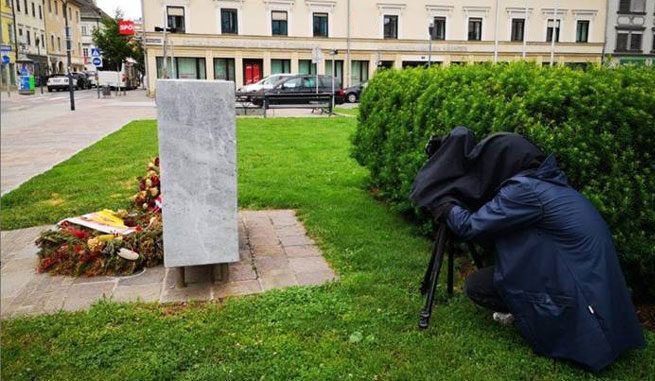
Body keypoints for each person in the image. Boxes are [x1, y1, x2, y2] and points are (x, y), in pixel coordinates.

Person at [410, 127, 645, 372]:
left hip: (584, 306)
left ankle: (538, 318)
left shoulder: (524, 191)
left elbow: (472, 227)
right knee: (494, 275)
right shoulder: (548, 183)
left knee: (477, 286)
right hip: (596, 295)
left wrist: (446, 206)